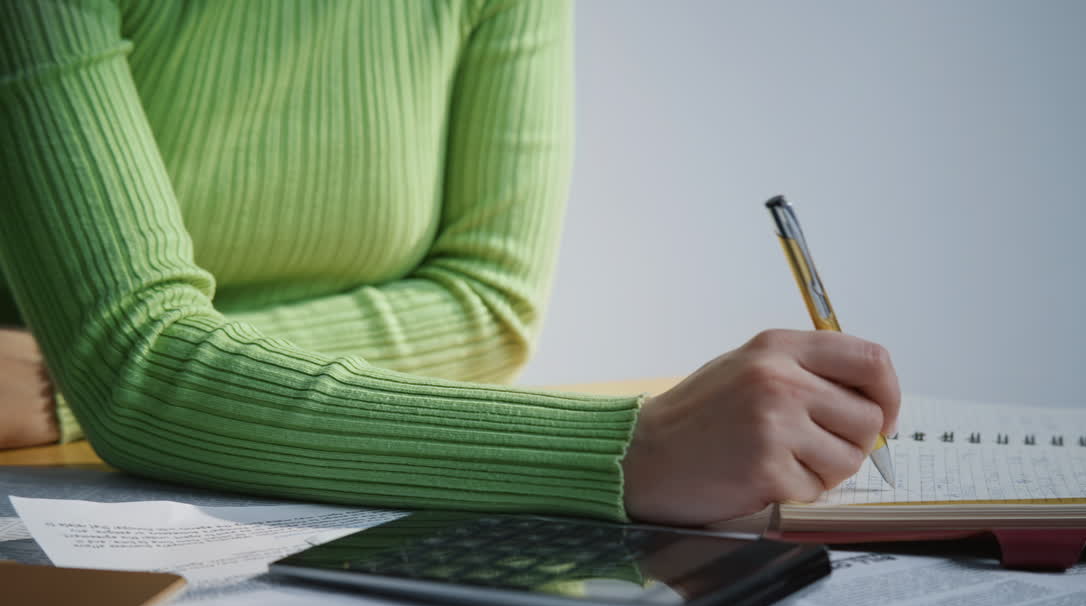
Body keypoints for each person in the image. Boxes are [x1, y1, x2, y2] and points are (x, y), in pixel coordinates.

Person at [0, 0, 899, 528]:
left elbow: (486, 310)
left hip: (276, 487)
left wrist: (67, 380)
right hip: (57, 500)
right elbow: (134, 371)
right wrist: (633, 449)